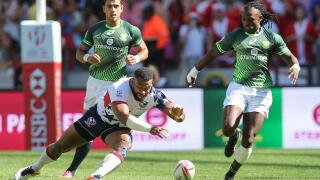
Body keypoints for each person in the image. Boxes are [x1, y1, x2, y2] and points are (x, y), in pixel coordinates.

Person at [186, 1, 300, 179]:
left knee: (249, 139)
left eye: (250, 19)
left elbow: (290, 58)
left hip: (261, 92)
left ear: (260, 18)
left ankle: (231, 173)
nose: (246, 22)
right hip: (239, 87)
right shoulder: (235, 36)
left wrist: (295, 66)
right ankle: (233, 135)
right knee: (227, 129)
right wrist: (194, 70)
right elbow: (212, 53)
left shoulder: (272, 38)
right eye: (243, 19)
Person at [14, 67, 185, 180]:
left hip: (117, 128)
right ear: (133, 81)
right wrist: (151, 129)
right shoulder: (119, 88)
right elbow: (124, 116)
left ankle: (96, 176)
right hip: (97, 118)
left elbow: (174, 111)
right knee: (59, 147)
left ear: (152, 84)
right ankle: (35, 168)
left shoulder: (154, 94)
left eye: (147, 87)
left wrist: (178, 115)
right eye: (140, 86)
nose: (143, 90)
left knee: (123, 146)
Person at [61, 0, 149, 178]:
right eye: (109, 6)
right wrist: (87, 58)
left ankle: (90, 168)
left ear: (122, 8)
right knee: (86, 129)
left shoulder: (131, 30)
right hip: (94, 83)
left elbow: (144, 50)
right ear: (104, 9)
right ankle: (73, 170)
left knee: (109, 126)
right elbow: (79, 53)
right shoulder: (95, 29)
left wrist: (137, 58)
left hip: (115, 85)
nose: (113, 9)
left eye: (116, 6)